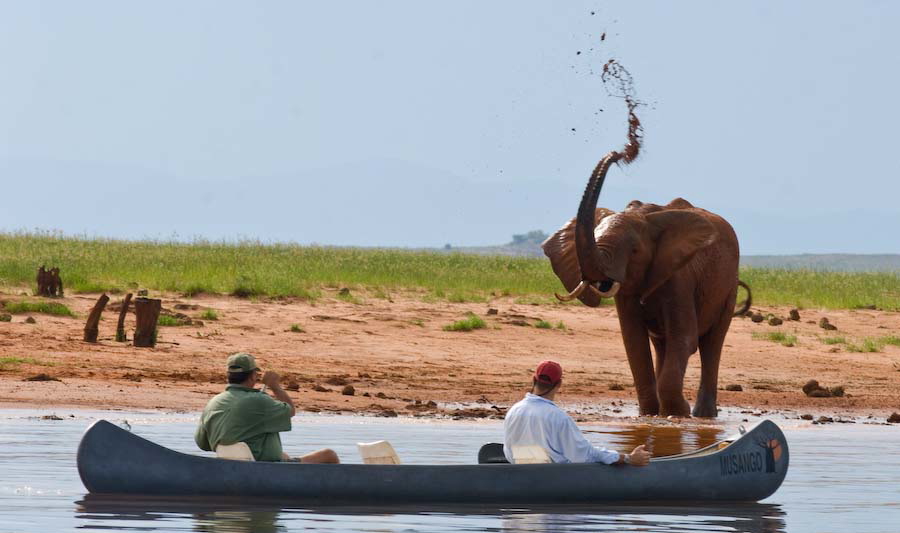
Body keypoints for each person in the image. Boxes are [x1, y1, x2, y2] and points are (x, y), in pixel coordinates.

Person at [195, 352, 339, 463]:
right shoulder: (258, 400)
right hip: (264, 467)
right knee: (329, 455)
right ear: (252, 376)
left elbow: (202, 443)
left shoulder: (214, 402)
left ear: (229, 376)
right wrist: (275, 387)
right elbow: (290, 409)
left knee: (285, 456)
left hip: (232, 465)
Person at [503, 360, 650, 466]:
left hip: (520, 473)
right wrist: (627, 458)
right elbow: (584, 455)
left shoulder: (513, 411)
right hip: (552, 477)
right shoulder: (558, 418)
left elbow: (509, 453)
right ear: (559, 384)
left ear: (534, 379)